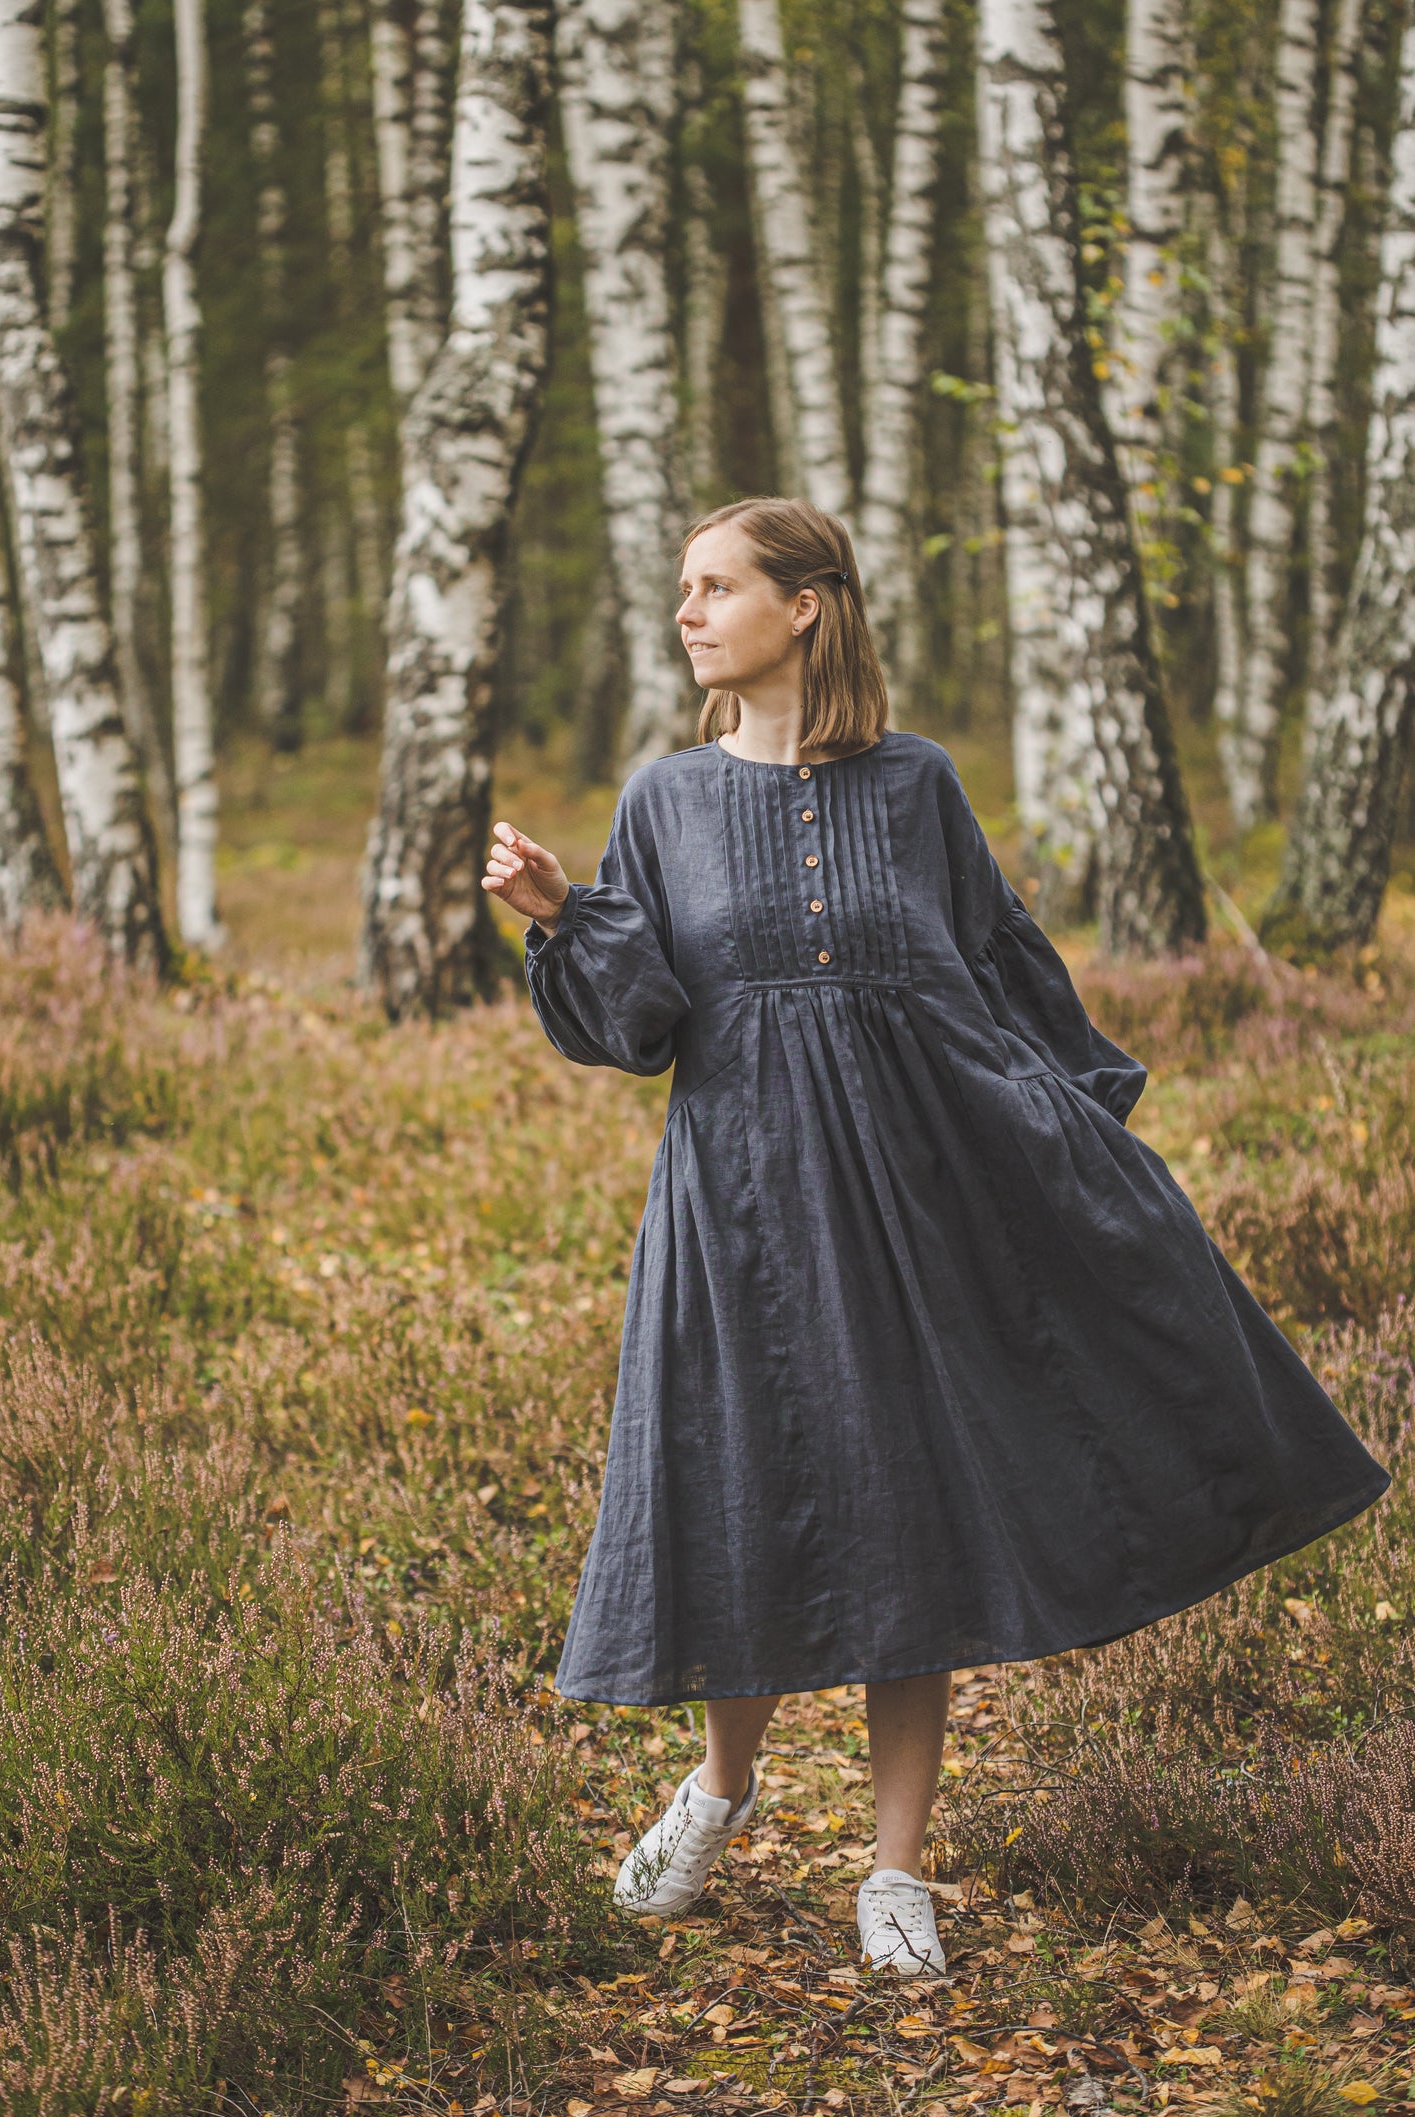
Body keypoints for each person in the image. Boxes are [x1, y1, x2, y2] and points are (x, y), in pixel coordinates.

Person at [482, 496, 1388, 1976]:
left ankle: (893, 1871)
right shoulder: (661, 797)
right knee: (745, 1481)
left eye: (718, 588)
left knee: (904, 1505)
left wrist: (1080, 1129)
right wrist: (562, 912)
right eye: (683, 591)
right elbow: (642, 1027)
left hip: (920, 1200)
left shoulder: (916, 787)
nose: (689, 614)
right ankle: (721, 1791)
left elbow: (1003, 967)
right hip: (743, 1211)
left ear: (808, 607)